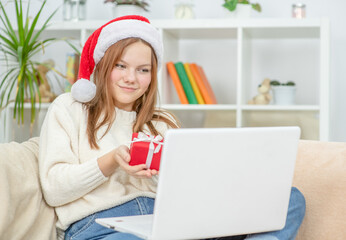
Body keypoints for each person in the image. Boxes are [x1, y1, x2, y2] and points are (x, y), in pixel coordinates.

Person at [39, 15, 305, 240]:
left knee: (289, 199)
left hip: (168, 221)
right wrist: (111, 162)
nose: (131, 78)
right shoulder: (70, 108)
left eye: (143, 70)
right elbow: (53, 189)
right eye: (121, 66)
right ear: (103, 65)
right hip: (99, 226)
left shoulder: (162, 120)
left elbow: (186, 190)